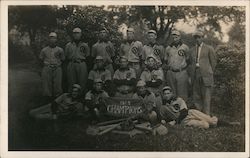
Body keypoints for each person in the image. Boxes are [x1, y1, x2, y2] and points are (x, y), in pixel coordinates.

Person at [189, 30, 217, 115]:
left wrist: (209, 72)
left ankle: (207, 116)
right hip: (196, 74)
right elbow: (191, 63)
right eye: (196, 38)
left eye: (199, 37)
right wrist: (192, 75)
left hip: (206, 75)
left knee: (206, 96)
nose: (197, 39)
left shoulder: (209, 48)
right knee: (196, 95)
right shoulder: (192, 50)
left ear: (202, 38)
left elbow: (213, 62)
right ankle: (199, 116)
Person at [165, 30, 191, 101]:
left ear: (180, 37)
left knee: (182, 93)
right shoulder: (168, 48)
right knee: (172, 93)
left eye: (176, 37)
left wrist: (184, 69)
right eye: (173, 37)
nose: (175, 38)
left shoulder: (185, 47)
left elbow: (188, 60)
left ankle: (183, 109)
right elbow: (165, 60)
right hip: (171, 72)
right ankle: (173, 110)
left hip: (181, 72)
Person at [39, 32, 65, 99]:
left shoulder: (60, 50)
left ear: (56, 39)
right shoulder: (44, 50)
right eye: (51, 38)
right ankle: (47, 98)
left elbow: (63, 59)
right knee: (46, 84)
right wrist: (45, 66)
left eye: (54, 38)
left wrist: (58, 65)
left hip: (57, 67)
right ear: (48, 39)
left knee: (57, 84)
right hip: (47, 67)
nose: (52, 40)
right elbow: (40, 59)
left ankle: (57, 98)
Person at [65, 27, 90, 92]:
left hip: (81, 63)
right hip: (71, 63)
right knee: (71, 82)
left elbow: (88, 57)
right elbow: (66, 56)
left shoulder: (85, 45)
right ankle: (71, 98)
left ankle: (81, 98)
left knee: (82, 81)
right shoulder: (68, 45)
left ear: (81, 34)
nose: (76, 35)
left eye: (78, 33)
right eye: (74, 33)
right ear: (72, 35)